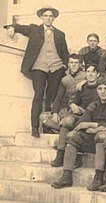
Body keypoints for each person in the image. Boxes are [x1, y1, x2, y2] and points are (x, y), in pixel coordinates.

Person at [3, 6, 69, 137]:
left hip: (56, 67)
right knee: (38, 94)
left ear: (54, 18)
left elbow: (65, 52)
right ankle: (34, 126)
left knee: (52, 95)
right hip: (38, 66)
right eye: (46, 16)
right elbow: (20, 27)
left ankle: (48, 126)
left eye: (51, 16)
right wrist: (11, 27)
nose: (48, 18)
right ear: (41, 17)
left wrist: (65, 64)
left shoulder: (60, 34)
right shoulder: (34, 29)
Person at [51, 77, 106, 189]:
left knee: (101, 135)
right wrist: (91, 126)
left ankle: (99, 177)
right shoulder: (94, 105)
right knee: (72, 136)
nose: (103, 92)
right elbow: (81, 123)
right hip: (92, 138)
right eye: (100, 89)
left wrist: (94, 125)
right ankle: (66, 175)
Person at [50, 65, 101, 168]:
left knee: (77, 127)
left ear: (98, 74)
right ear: (85, 74)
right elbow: (73, 100)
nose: (90, 74)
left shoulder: (101, 88)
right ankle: (60, 153)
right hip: (80, 116)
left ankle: (78, 157)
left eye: (93, 72)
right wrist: (73, 105)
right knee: (66, 122)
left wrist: (84, 110)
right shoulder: (82, 88)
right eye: (88, 71)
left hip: (93, 118)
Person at [40, 53, 86, 133]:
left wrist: (84, 81)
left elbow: (99, 80)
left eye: (76, 63)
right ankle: (64, 129)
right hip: (67, 110)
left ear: (80, 64)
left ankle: (62, 129)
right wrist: (55, 113)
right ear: (68, 64)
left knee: (69, 120)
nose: (74, 65)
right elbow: (59, 98)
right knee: (43, 117)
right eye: (71, 63)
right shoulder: (65, 79)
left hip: (80, 110)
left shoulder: (86, 76)